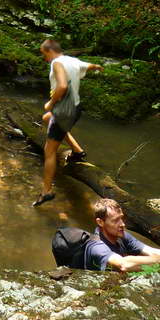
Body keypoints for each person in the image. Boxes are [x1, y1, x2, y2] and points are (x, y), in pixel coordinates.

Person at [33, 39, 103, 206]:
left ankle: (47, 191)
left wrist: (51, 103)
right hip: (76, 109)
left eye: (44, 54)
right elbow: (89, 66)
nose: (44, 58)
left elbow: (63, 86)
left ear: (50, 51)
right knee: (46, 118)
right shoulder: (73, 60)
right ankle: (77, 151)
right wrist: (97, 67)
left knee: (49, 151)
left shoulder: (57, 63)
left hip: (63, 112)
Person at [85, 198, 160, 271]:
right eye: (115, 220)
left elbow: (150, 251)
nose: (123, 224)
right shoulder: (96, 246)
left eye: (121, 218)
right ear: (100, 222)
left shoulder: (121, 235)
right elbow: (124, 265)